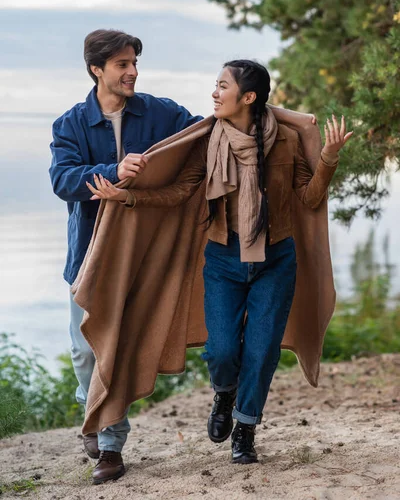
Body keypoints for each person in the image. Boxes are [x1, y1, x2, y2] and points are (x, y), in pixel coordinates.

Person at [87, 59, 352, 465]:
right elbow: (179, 192)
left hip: (276, 259)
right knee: (222, 350)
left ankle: (245, 429)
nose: (214, 92)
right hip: (223, 258)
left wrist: (329, 159)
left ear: (247, 97)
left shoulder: (285, 141)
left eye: (222, 86)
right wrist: (129, 197)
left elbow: (309, 199)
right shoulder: (210, 139)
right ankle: (224, 394)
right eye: (215, 84)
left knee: (262, 352)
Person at [49, 29, 201, 484]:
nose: (132, 71)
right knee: (84, 353)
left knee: (119, 350)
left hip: (142, 257)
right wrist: (113, 170)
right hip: (89, 257)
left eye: (134, 62)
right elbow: (63, 180)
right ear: (97, 69)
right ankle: (92, 411)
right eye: (122, 64)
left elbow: (201, 135)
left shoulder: (161, 111)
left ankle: (110, 450)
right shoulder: (70, 123)